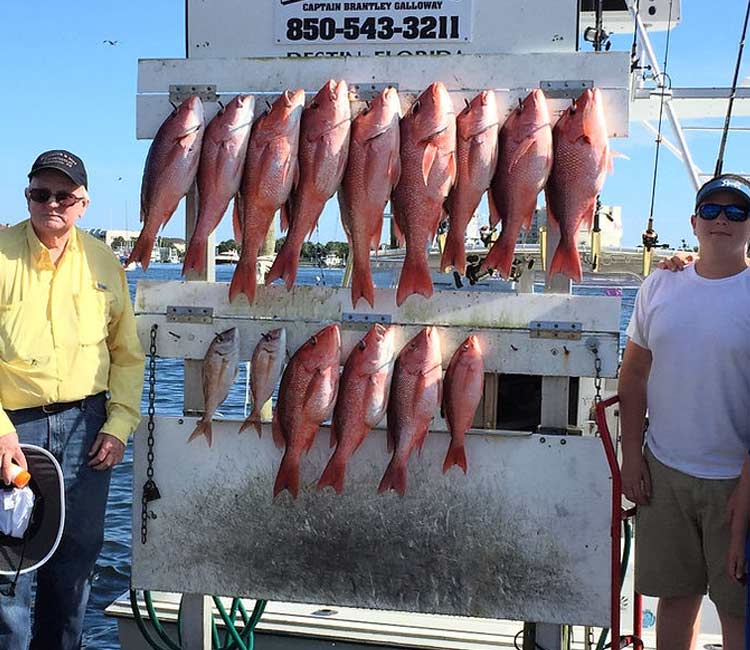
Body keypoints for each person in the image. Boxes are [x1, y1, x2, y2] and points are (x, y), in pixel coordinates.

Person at [0, 150, 145, 649]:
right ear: (27, 196)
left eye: (64, 195)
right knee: (8, 571)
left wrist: (119, 423)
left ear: (83, 202)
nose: (52, 204)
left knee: (76, 565)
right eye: (42, 193)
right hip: (14, 433)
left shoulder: (105, 262)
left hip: (89, 427)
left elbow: (127, 354)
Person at [619, 173, 750, 650]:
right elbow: (633, 376)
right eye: (712, 211)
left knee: (738, 610)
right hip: (665, 471)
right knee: (675, 600)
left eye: (737, 212)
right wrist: (631, 455)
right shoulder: (659, 286)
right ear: (694, 222)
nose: (723, 220)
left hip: (737, 481)